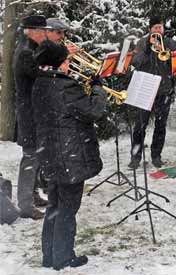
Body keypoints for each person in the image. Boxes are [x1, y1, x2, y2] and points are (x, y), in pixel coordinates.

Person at [32, 40, 107, 270]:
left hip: (52, 153)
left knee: (54, 206)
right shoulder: (64, 87)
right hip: (70, 156)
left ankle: (50, 255)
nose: (68, 65)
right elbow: (93, 110)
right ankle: (63, 257)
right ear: (56, 63)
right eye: (66, 61)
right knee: (67, 209)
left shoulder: (40, 84)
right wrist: (97, 88)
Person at [13, 15, 49, 220]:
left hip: (32, 111)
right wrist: (57, 71)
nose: (45, 34)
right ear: (32, 31)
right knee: (30, 158)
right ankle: (25, 205)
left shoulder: (29, 49)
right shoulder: (26, 52)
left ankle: (34, 196)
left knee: (36, 157)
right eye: (42, 31)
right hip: (29, 114)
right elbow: (39, 77)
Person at [129, 16, 176, 169]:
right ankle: (135, 157)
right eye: (155, 27)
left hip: (164, 89)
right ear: (150, 29)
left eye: (160, 27)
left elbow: (174, 65)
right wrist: (148, 49)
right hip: (146, 88)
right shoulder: (142, 43)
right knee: (140, 125)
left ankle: (156, 156)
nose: (158, 30)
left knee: (160, 125)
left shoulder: (169, 43)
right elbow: (136, 62)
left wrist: (166, 53)